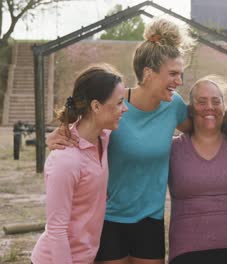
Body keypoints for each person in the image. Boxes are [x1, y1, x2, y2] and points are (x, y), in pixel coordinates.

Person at [47, 18, 192, 264]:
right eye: (173, 74)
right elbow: (79, 125)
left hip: (150, 220)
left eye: (181, 74)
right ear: (148, 73)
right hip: (108, 219)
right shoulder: (113, 107)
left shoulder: (174, 105)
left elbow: (204, 126)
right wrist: (57, 134)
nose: (179, 81)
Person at [31, 64, 128, 264]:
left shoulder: (103, 137)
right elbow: (57, 231)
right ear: (96, 106)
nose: (125, 109)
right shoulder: (65, 161)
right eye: (119, 103)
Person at [168, 77, 227, 264]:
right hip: (187, 250)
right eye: (201, 101)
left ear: (224, 106)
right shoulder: (173, 148)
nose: (209, 107)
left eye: (216, 101)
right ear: (190, 108)